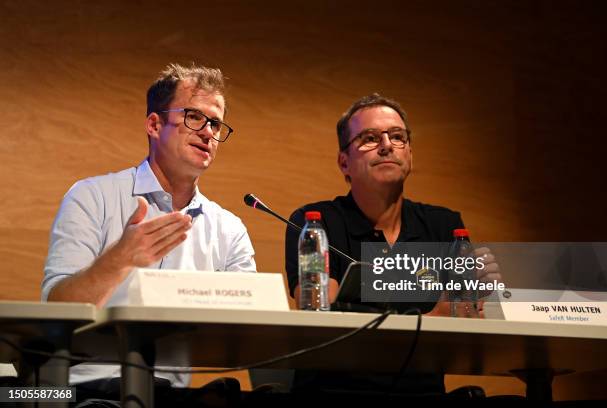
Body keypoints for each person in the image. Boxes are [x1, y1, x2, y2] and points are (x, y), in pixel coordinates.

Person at [41, 63, 256, 401]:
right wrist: (119, 260)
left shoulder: (229, 229)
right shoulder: (91, 196)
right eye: (194, 117)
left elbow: (249, 330)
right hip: (86, 391)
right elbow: (56, 310)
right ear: (155, 125)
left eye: (215, 123)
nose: (207, 133)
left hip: (173, 395)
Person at [284, 93, 501, 397]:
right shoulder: (315, 225)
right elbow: (324, 321)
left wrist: (483, 292)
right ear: (344, 162)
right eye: (370, 138)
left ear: (409, 154)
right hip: (334, 394)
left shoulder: (444, 226)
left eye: (397, 137)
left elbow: (466, 321)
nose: (387, 145)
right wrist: (431, 319)